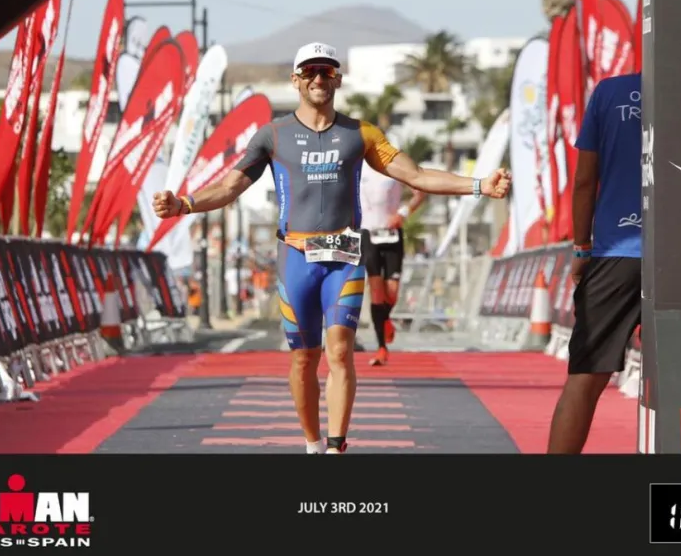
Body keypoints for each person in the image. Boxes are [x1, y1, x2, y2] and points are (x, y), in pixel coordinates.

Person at [153, 42, 512, 455]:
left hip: (344, 256)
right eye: (310, 72)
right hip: (295, 259)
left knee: (340, 351)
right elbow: (230, 185)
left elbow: (414, 175)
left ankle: (337, 447)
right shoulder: (273, 135)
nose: (319, 79)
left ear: (338, 79)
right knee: (304, 359)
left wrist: (479, 185)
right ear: (296, 80)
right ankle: (312, 444)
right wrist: (185, 204)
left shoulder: (360, 134)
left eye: (327, 72)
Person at [547, 72, 642, 454]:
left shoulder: (610, 91)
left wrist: (582, 249)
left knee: (584, 379)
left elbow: (585, 180)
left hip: (617, 252)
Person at [359, 160, 425, 366]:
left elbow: (420, 192)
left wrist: (402, 214)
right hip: (367, 234)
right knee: (376, 291)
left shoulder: (394, 167)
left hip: (391, 234)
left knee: (392, 291)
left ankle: (385, 319)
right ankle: (381, 348)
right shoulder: (356, 166)